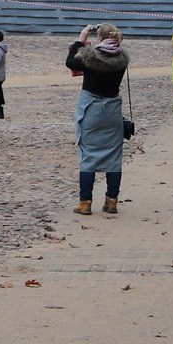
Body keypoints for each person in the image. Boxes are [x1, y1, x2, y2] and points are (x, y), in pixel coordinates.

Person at [65, 23, 130, 214]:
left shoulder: (90, 57)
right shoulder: (121, 59)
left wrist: (80, 41)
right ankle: (111, 201)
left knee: (88, 155)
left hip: (91, 110)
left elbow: (70, 62)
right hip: (112, 112)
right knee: (114, 156)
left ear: (99, 37)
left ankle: (85, 202)